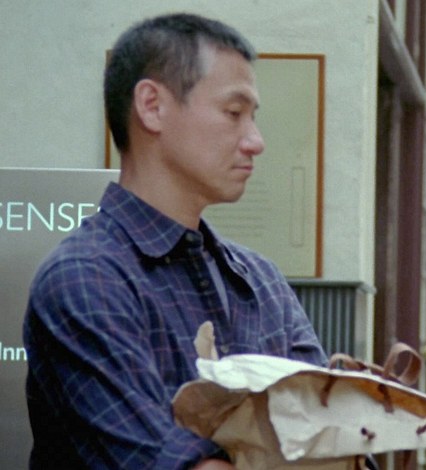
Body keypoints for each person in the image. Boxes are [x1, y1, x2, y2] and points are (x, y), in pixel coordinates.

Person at [23, 13, 328, 469]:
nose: (256, 141)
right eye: (234, 113)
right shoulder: (84, 279)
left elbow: (334, 437)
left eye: (253, 117)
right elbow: (164, 461)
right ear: (152, 106)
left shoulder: (260, 281)